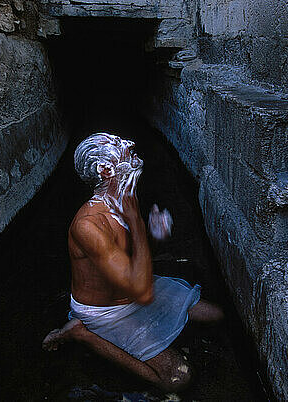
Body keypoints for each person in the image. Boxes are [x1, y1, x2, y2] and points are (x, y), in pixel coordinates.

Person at [42, 133, 224, 391]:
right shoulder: (89, 225)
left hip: (132, 286)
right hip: (107, 311)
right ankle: (80, 333)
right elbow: (143, 292)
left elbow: (133, 255)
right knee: (177, 379)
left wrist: (155, 235)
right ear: (105, 170)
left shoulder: (123, 200)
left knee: (217, 315)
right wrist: (138, 221)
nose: (128, 143)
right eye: (117, 145)